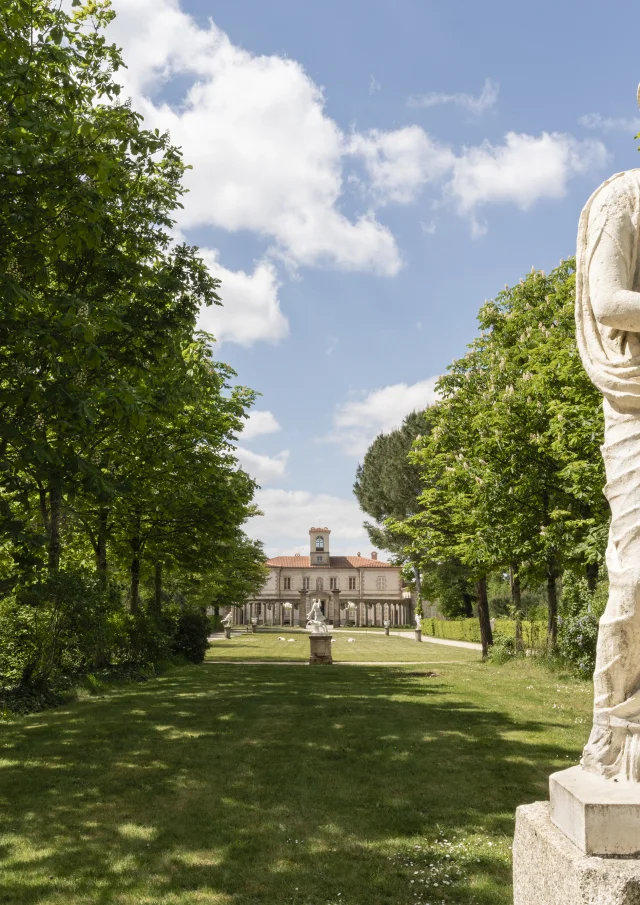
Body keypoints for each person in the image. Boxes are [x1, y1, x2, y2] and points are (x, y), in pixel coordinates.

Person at [576, 166, 640, 781]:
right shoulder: (625, 197)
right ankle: (613, 731)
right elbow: (609, 302)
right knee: (636, 576)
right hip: (634, 400)